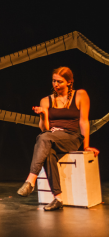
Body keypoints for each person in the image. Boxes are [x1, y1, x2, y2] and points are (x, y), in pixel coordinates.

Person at [17, 67, 100, 211]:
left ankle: (30, 180)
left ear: (69, 82)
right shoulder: (46, 100)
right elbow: (45, 129)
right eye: (54, 81)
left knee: (44, 138)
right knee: (47, 150)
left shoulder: (80, 95)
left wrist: (86, 146)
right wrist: (43, 115)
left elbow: (84, 122)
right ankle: (58, 197)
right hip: (51, 137)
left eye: (60, 82)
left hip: (72, 137)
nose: (56, 84)